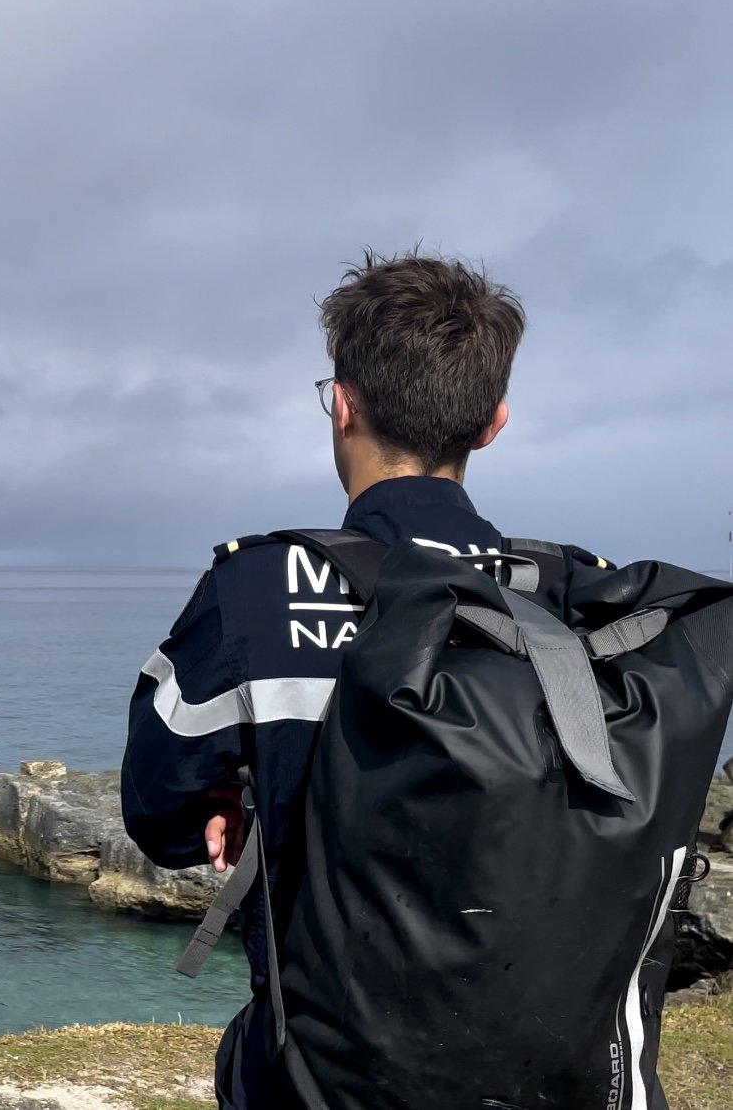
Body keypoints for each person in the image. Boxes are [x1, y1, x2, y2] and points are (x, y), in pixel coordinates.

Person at [119, 250, 589, 1108]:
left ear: (342, 406)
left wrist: (234, 799)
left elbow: (156, 807)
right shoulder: (574, 591)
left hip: (329, 1075)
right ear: (493, 423)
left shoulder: (257, 589)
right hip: (549, 1067)